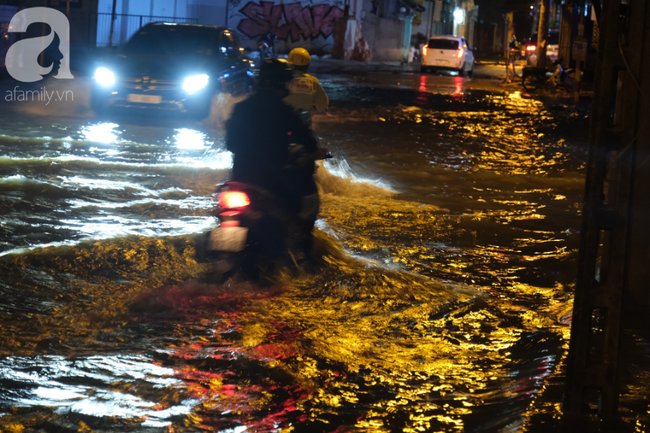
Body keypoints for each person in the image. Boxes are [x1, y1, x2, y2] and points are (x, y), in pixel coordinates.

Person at [225, 58, 320, 231]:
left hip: (239, 178)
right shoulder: (284, 112)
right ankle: (301, 242)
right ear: (283, 83)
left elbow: (230, 144)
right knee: (301, 215)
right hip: (271, 183)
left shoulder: (240, 108)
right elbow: (308, 142)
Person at [284, 47, 329, 127]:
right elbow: (322, 107)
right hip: (303, 128)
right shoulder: (313, 82)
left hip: (282, 125)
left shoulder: (281, 81)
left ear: (289, 63)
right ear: (307, 65)